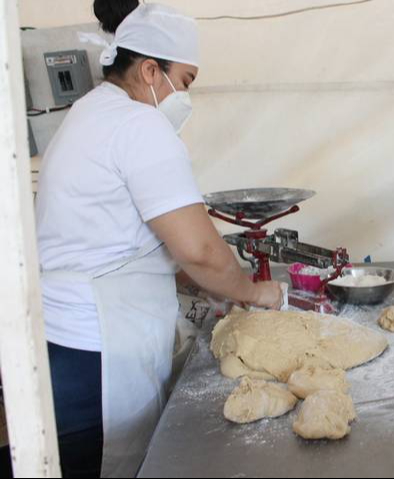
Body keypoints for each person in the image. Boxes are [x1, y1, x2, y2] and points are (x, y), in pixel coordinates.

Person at [35, 1, 283, 476]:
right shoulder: (139, 124)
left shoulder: (88, 112)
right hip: (99, 352)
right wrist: (254, 292)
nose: (185, 96)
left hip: (65, 341)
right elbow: (200, 249)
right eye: (185, 81)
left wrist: (197, 282)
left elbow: (119, 239)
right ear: (151, 70)